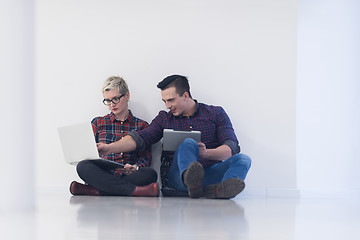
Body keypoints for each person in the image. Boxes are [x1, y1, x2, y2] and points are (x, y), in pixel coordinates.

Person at [98, 74, 251, 199]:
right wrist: (110, 148)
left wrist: (205, 153)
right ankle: (191, 181)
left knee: (244, 159)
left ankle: (218, 190)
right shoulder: (165, 118)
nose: (167, 106)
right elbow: (140, 138)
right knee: (188, 142)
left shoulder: (216, 113)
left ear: (185, 95)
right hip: (178, 179)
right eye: (164, 101)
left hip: (210, 173)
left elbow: (231, 147)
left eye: (171, 100)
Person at [69, 76, 159, 197]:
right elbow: (88, 154)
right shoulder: (98, 122)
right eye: (107, 100)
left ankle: (93, 191)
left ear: (127, 95)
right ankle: (134, 191)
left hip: (128, 175)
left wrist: (135, 167)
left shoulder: (142, 125)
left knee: (150, 174)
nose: (112, 104)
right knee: (83, 166)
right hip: (103, 174)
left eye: (116, 99)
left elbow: (146, 158)